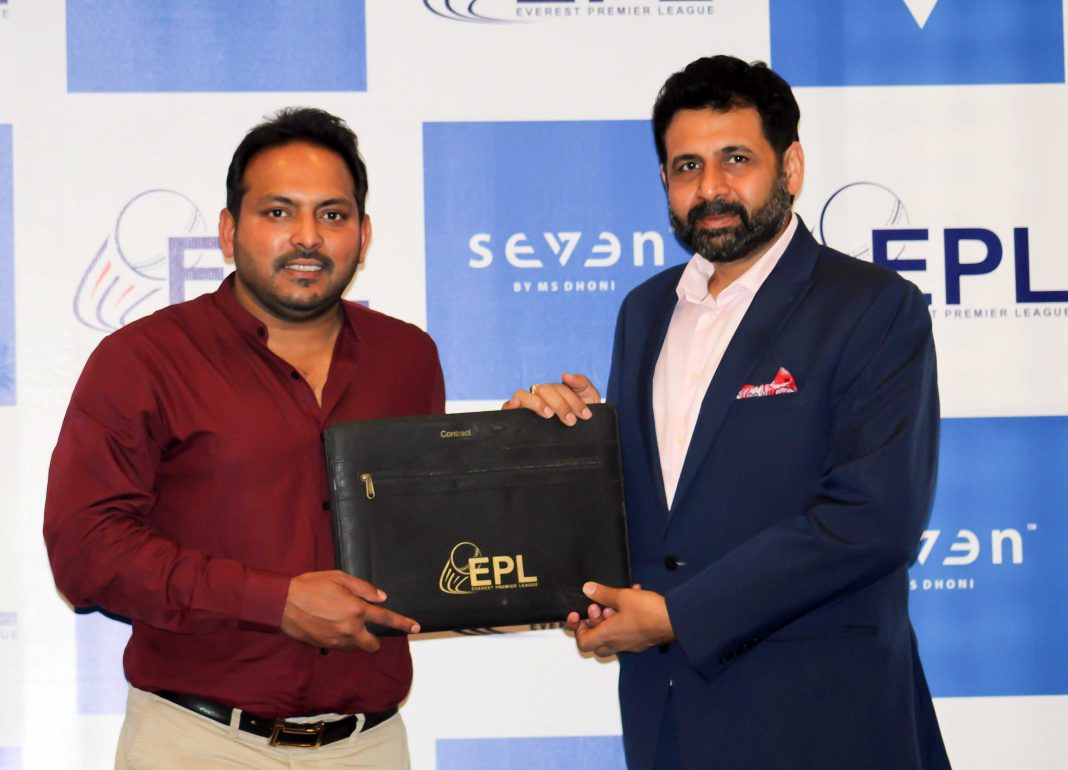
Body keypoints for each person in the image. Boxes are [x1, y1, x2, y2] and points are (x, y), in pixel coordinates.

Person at [507, 56, 950, 769]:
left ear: (791, 167)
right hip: (669, 718)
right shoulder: (645, 311)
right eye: (687, 166)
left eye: (735, 159)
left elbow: (874, 519)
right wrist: (566, 447)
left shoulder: (872, 306)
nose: (710, 187)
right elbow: (656, 507)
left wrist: (677, 616)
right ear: (664, 180)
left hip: (824, 720)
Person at [44, 108, 444, 768]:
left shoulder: (408, 359)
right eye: (278, 212)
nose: (308, 237)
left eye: (333, 214)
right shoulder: (144, 359)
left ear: (364, 235)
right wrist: (273, 602)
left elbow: (431, 533)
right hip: (196, 743)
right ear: (229, 232)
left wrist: (521, 446)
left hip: (369, 744)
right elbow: (84, 551)